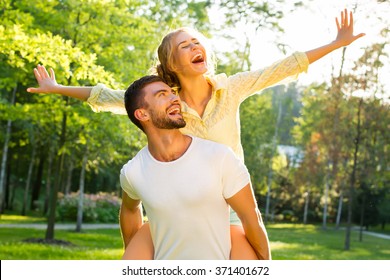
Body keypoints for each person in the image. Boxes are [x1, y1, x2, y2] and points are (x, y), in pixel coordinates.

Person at [27, 9, 364, 259]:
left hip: (226, 202)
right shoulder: (163, 103)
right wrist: (57, 88)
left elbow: (283, 67)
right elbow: (108, 97)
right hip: (175, 199)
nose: (194, 46)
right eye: (184, 46)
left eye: (196, 42)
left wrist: (337, 43)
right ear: (172, 63)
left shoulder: (229, 89)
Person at [119, 75, 267, 259]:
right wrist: (133, 247)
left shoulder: (220, 157)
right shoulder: (133, 172)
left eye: (173, 93)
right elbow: (129, 209)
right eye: (162, 95)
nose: (175, 98)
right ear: (142, 114)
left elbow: (251, 216)